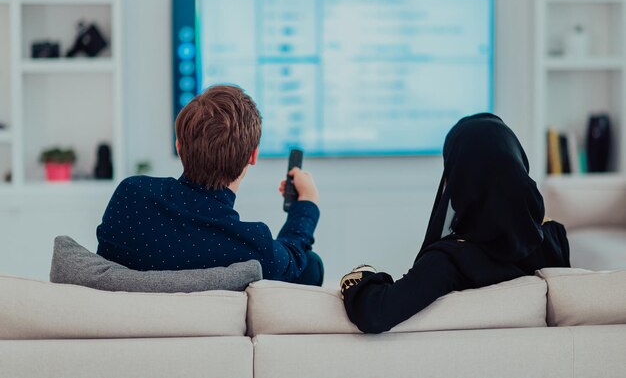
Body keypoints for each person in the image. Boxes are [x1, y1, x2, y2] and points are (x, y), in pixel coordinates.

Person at [340, 113, 570, 333]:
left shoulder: (449, 261)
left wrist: (362, 275)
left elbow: (376, 314)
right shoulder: (553, 237)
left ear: (458, 184)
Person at [97, 84, 324, 286]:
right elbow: (294, 257)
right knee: (311, 265)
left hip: (129, 325)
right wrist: (306, 204)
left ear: (179, 147)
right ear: (253, 156)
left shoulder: (130, 196)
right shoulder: (250, 245)